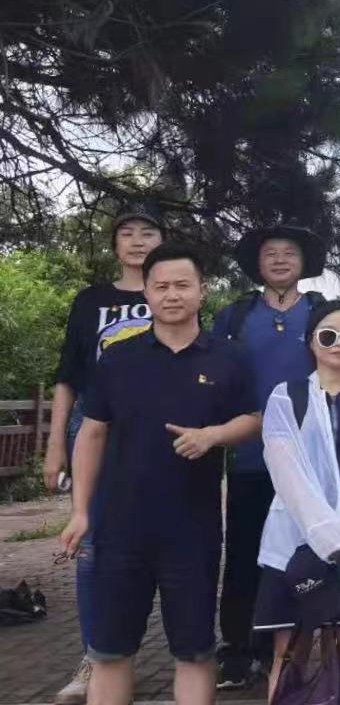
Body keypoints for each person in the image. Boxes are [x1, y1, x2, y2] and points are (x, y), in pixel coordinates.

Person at [58, 243, 261, 705]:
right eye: (162, 286)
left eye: (182, 285)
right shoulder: (117, 358)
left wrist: (212, 435)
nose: (172, 295)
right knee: (110, 651)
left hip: (192, 530)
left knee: (194, 650)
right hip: (119, 527)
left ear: (202, 291)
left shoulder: (229, 358)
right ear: (146, 293)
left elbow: (253, 419)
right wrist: (81, 512)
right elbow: (92, 433)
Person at [44, 205, 164, 705]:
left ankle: (131, 657)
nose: (137, 241)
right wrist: (56, 445)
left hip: (157, 433)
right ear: (114, 245)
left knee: (156, 544)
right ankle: (95, 660)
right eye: (127, 233)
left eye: (148, 232)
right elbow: (68, 376)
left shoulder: (172, 292)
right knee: (93, 544)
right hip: (94, 429)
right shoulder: (91, 301)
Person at [253, 301, 340, 705]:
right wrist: (323, 535)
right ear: (311, 341)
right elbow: (285, 469)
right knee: (288, 651)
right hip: (293, 541)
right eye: (328, 335)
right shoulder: (286, 396)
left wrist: (338, 535)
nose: (339, 344)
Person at [212, 224, 328, 689]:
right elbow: (215, 379)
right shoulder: (235, 316)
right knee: (244, 556)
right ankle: (237, 650)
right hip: (250, 459)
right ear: (257, 264)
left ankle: (289, 650)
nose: (280, 260)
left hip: (309, 461)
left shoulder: (320, 312)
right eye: (271, 253)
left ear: (304, 262)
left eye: (289, 252)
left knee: (301, 556)